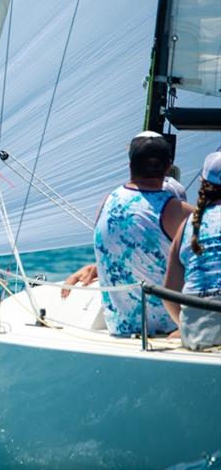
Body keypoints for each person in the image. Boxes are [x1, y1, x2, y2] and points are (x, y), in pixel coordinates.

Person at [62, 131, 193, 336]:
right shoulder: (179, 211)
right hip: (169, 330)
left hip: (120, 328)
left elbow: (135, 248)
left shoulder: (107, 201)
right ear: (168, 168)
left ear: (130, 165)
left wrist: (98, 267)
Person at [163, 151, 221, 350]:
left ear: (201, 183)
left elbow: (169, 291)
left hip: (196, 334)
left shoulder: (188, 225)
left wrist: (184, 326)